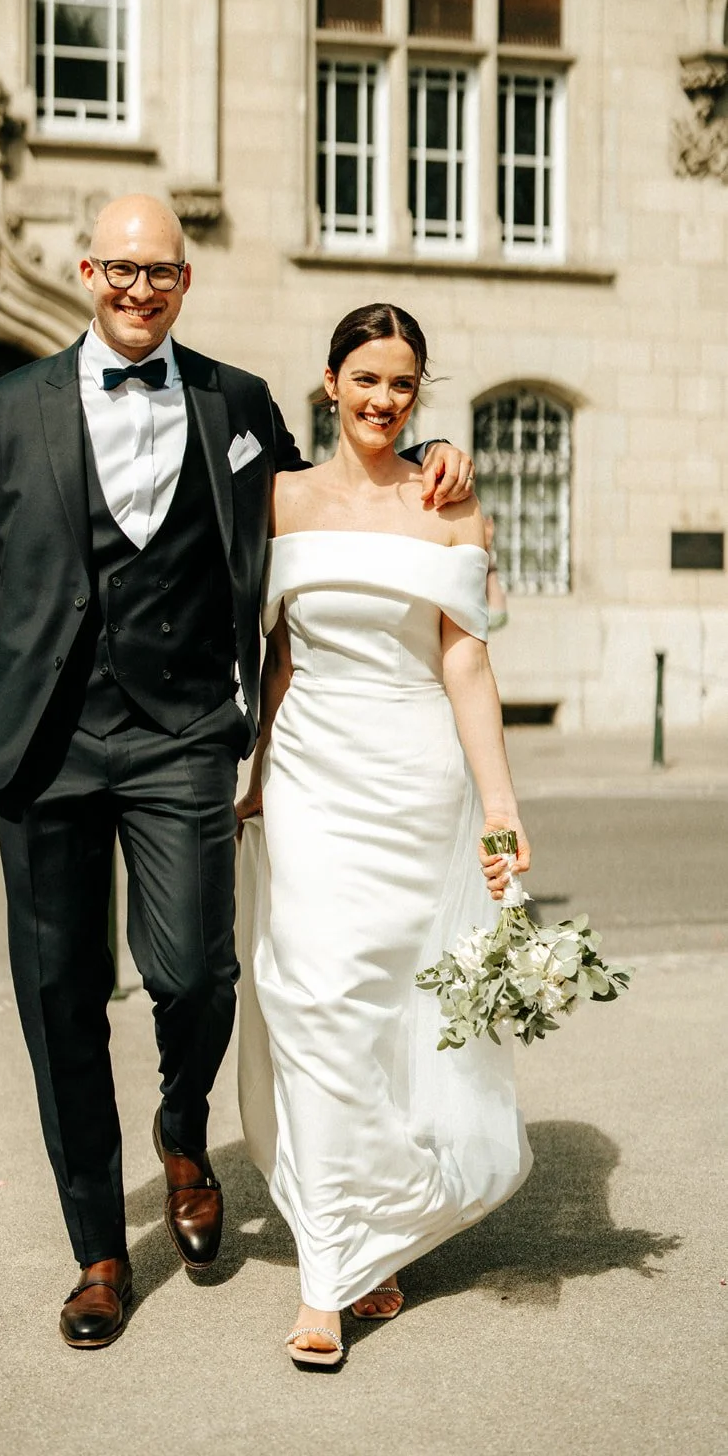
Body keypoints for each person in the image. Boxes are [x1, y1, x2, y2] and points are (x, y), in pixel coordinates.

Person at [0, 199, 476, 1350]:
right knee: (59, 997)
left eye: (159, 269)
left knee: (195, 974)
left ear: (183, 278)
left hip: (179, 737)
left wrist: (423, 455)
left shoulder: (236, 401)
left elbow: (330, 498)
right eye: (119, 267)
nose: (138, 287)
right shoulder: (4, 410)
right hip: (41, 744)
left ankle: (180, 1126)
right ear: (85, 271)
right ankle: (99, 1254)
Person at [235, 302, 532, 1369]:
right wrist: (258, 775)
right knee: (316, 999)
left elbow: (464, 663)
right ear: (327, 382)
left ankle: (370, 1227)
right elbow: (274, 656)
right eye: (364, 378)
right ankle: (326, 1277)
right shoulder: (277, 500)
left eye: (401, 383)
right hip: (314, 776)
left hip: (416, 784)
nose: (381, 399)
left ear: (418, 392)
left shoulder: (453, 510)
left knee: (394, 1017)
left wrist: (498, 806)